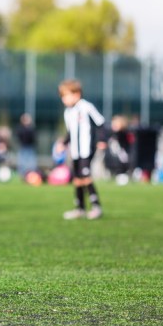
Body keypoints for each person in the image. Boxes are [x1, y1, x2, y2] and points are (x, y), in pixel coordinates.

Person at [59, 79, 105, 220]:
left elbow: (100, 123)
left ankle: (96, 207)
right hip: (75, 151)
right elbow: (71, 132)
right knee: (77, 179)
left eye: (66, 95)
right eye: (62, 96)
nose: (64, 99)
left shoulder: (86, 107)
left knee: (86, 177)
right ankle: (80, 208)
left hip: (86, 149)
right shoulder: (68, 112)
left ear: (77, 94)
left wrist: (101, 140)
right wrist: (64, 143)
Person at [15, 113, 37, 178]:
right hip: (23, 146)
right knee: (22, 162)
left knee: (31, 163)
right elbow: (19, 136)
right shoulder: (20, 128)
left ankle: (31, 174)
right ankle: (23, 175)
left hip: (30, 147)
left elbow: (34, 137)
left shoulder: (31, 128)